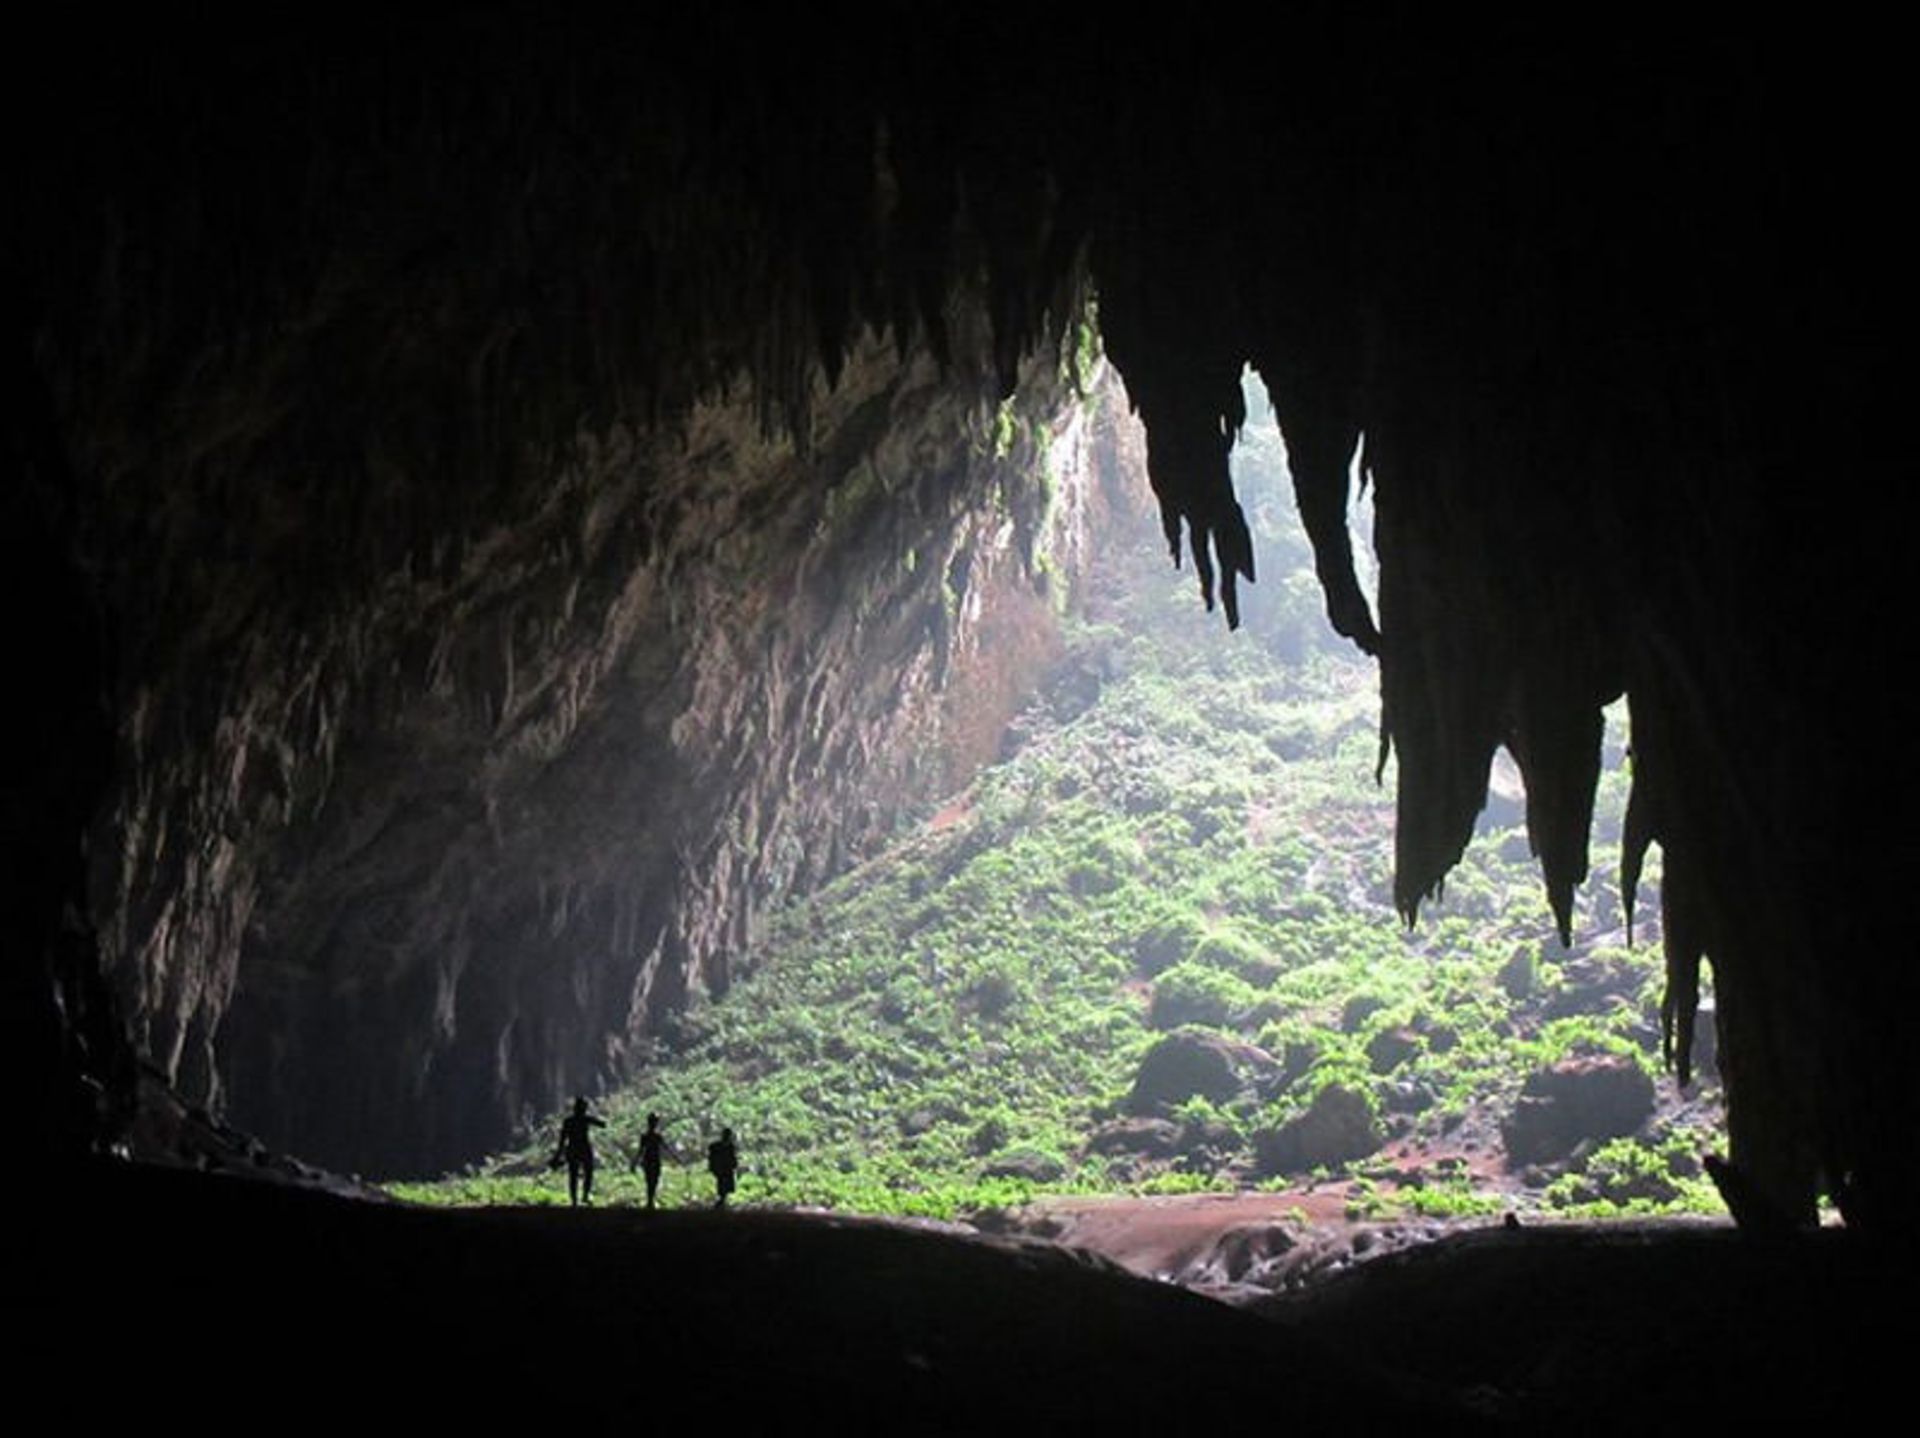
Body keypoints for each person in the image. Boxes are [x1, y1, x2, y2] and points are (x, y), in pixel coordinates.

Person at [550, 1096, 605, 1207]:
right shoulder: (584, 1119)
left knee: (574, 1175)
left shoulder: (568, 1121)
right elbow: (602, 1124)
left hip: (573, 1149)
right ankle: (584, 1195)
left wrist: (558, 1155)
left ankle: (575, 1200)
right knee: (587, 1172)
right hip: (583, 1148)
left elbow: (562, 1140)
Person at [631, 1112, 668, 1210]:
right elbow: (641, 1150)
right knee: (652, 1180)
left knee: (652, 1180)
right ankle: (650, 1201)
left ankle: (650, 1200)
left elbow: (640, 1151)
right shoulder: (650, 1136)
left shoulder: (651, 1136)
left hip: (651, 1160)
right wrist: (634, 1162)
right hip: (651, 1160)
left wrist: (634, 1162)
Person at [706, 1126, 738, 1209]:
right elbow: (712, 1156)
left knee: (724, 1184)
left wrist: (734, 1164)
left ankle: (722, 1200)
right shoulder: (717, 1146)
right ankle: (721, 1200)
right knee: (722, 1183)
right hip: (722, 1168)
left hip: (726, 1169)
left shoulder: (729, 1146)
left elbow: (732, 1157)